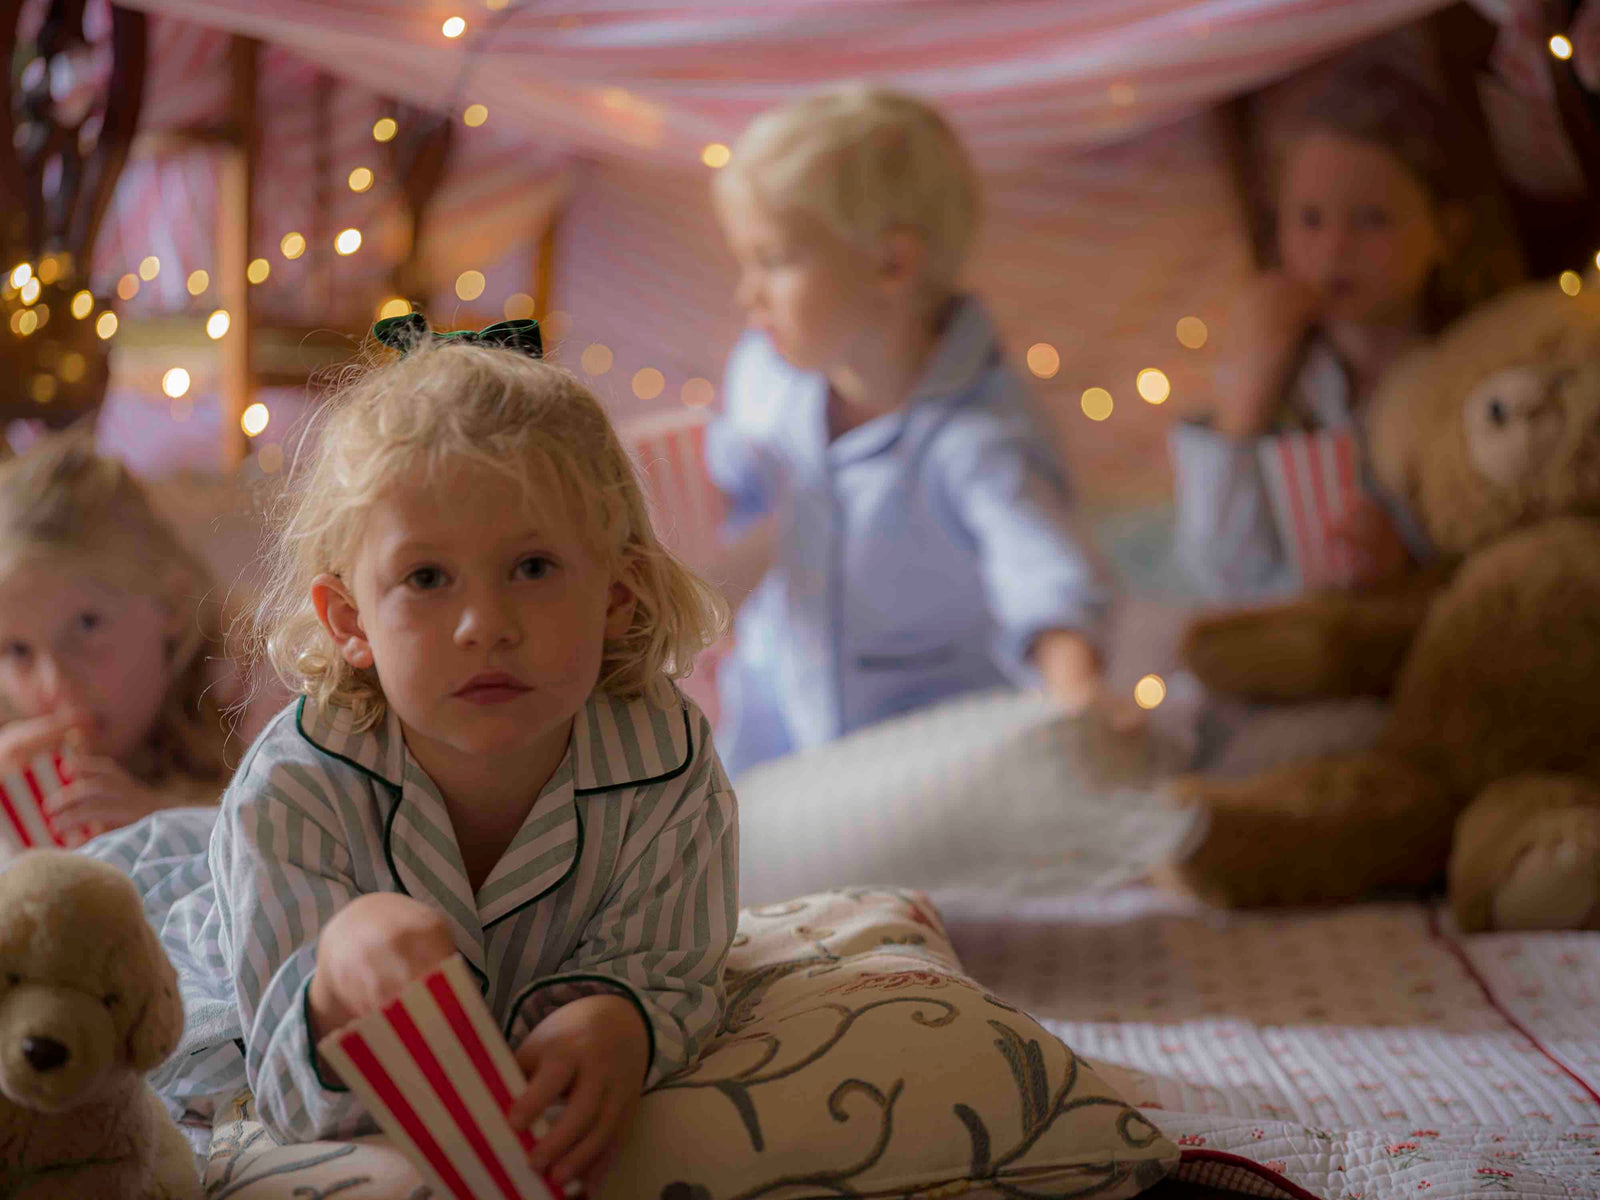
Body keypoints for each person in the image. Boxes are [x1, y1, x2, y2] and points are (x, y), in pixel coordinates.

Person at [85, 316, 738, 1191]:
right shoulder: (293, 793)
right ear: (350, 621)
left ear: (616, 597)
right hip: (193, 931)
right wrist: (339, 967)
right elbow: (280, 1085)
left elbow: (672, 961)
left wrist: (620, 1017)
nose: (486, 625)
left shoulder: (666, 762)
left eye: (534, 566)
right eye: (427, 579)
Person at [706, 85, 1115, 779]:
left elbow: (1045, 575)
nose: (749, 294)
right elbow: (733, 499)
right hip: (774, 740)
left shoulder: (976, 437)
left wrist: (1079, 695)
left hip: (929, 767)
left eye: (773, 262)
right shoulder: (765, 380)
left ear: (891, 264)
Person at [1170, 63, 1517, 601]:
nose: (1333, 251)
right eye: (1309, 220)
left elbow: (1504, 536)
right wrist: (1243, 402)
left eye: (1372, 220)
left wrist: (1408, 564)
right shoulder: (1288, 385)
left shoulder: (1475, 372)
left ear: (1445, 231)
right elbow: (1219, 575)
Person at [0, 428, 237, 844]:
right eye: (18, 650)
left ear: (173, 605)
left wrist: (166, 825)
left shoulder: (247, 705)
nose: (55, 684)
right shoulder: (13, 764)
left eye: (86, 625)